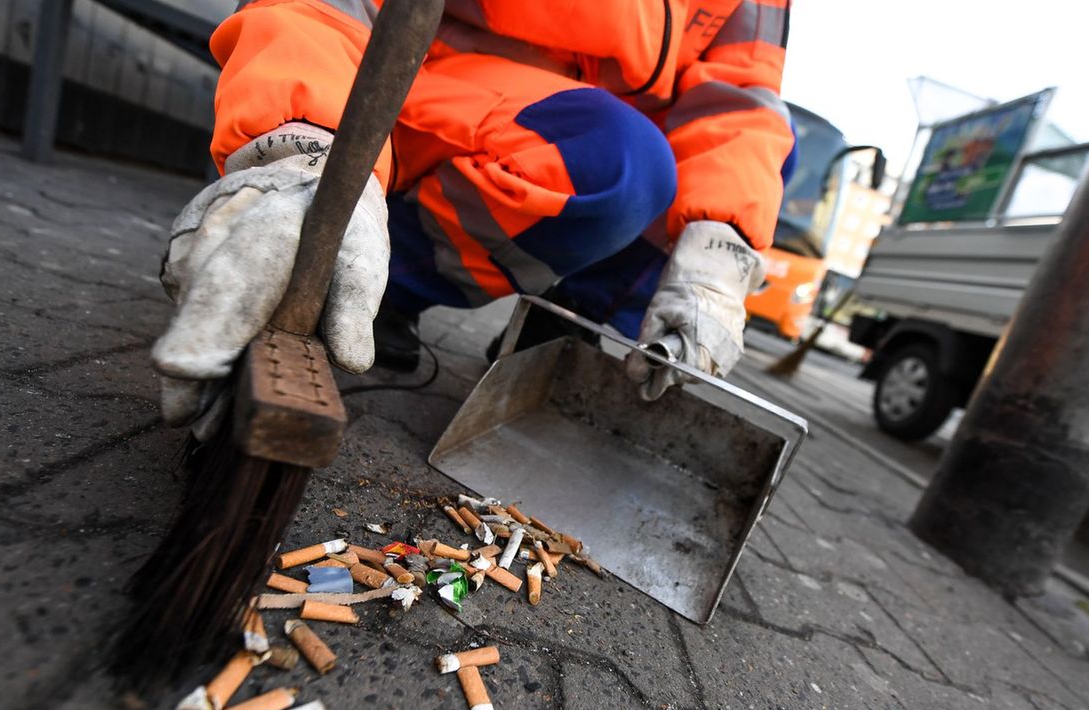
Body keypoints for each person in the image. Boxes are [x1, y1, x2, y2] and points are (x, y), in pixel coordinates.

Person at [153, 0, 794, 428]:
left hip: (574, 118)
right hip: (411, 79)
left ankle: (563, 337)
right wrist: (305, 145)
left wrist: (720, 261)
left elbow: (736, 106)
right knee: (620, 159)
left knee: (743, 169)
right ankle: (383, 282)